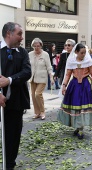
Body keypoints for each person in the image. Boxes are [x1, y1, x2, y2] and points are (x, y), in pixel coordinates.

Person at [0, 22, 31, 169]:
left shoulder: (23, 52)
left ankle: (9, 164)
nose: (22, 38)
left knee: (13, 136)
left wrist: (9, 80)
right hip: (0, 101)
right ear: (9, 34)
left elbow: (27, 72)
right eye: (19, 34)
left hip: (15, 102)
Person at [57, 43, 92, 139]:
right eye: (82, 53)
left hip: (86, 86)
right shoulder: (72, 62)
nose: (84, 54)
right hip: (75, 85)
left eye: (85, 53)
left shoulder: (88, 61)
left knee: (83, 107)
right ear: (76, 52)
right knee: (76, 106)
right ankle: (77, 126)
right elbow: (67, 75)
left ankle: (81, 128)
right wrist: (64, 86)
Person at [29, 38, 54, 120]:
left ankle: (42, 111)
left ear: (41, 46)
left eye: (38, 46)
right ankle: (37, 112)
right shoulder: (30, 54)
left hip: (42, 78)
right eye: (35, 46)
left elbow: (49, 67)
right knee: (33, 96)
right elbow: (27, 66)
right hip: (32, 78)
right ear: (33, 46)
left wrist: (51, 77)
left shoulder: (45, 54)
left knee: (37, 94)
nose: (36, 48)